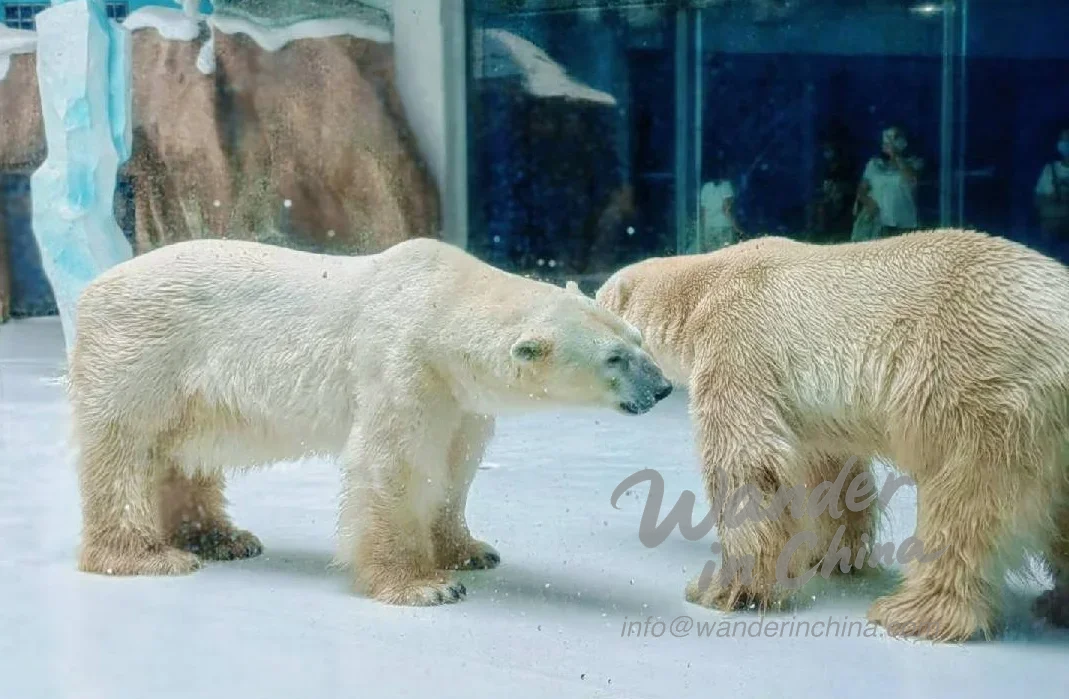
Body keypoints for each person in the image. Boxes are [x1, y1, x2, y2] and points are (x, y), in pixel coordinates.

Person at [852, 125, 923, 241]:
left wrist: (896, 155)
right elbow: (862, 189)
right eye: (887, 138)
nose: (888, 142)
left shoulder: (915, 163)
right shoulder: (874, 164)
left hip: (904, 224)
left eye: (894, 138)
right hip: (878, 224)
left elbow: (911, 179)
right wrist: (868, 202)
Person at [696, 151, 743, 253]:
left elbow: (703, 213)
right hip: (723, 227)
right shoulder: (726, 186)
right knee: (724, 258)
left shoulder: (705, 188)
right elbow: (727, 210)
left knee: (711, 257)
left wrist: (702, 233)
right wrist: (737, 229)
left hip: (709, 228)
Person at [1034, 126, 1069, 245]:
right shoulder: (1049, 169)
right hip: (1052, 236)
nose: (1066, 144)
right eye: (1064, 140)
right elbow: (1039, 202)